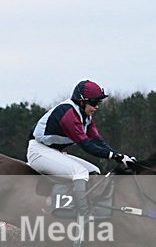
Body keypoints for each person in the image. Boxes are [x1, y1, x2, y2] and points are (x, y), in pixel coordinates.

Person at [27, 80, 136, 220]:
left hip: (52, 151)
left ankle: (83, 205)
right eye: (94, 103)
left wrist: (119, 155)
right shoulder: (68, 114)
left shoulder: (86, 116)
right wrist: (113, 156)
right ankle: (84, 215)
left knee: (94, 171)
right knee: (80, 173)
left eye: (98, 103)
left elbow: (97, 141)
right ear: (82, 102)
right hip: (38, 151)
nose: (96, 107)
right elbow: (86, 145)